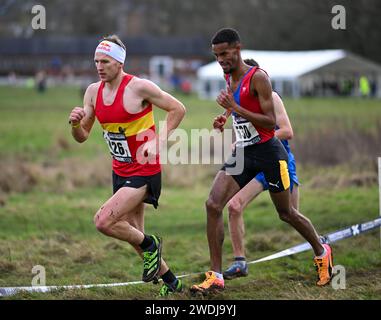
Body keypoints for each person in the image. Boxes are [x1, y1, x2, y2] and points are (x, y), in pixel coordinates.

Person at [190, 28, 333, 295]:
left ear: (238, 48)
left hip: (270, 153)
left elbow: (270, 123)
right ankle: (216, 276)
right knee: (213, 204)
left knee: (286, 213)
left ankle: (321, 250)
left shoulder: (259, 78)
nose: (220, 60)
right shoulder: (227, 77)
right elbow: (239, 111)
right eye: (216, 55)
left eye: (224, 54)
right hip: (244, 152)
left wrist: (236, 109)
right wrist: (225, 117)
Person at [68, 35, 186, 296]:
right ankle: (173, 285)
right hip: (120, 170)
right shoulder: (92, 92)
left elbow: (177, 109)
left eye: (105, 61)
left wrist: (159, 142)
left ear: (119, 63)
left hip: (145, 169)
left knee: (104, 221)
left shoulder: (139, 87)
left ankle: (153, 244)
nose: (99, 66)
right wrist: (76, 123)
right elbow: (82, 136)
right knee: (136, 238)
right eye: (96, 61)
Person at [219, 58, 300, 279]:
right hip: (254, 162)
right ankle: (239, 262)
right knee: (234, 206)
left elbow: (287, 131)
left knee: (290, 215)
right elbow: (241, 130)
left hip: (277, 160)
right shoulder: (238, 101)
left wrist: (257, 141)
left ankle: (320, 249)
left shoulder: (271, 97)